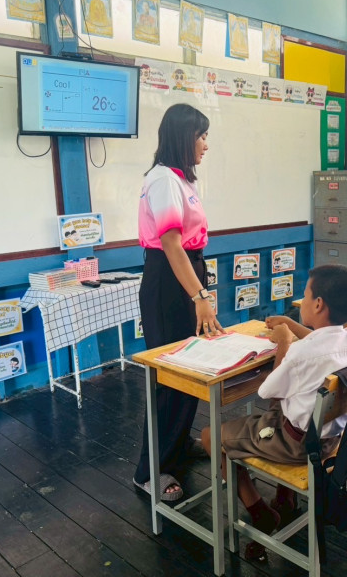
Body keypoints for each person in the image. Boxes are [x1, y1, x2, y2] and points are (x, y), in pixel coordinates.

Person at [201, 264, 347, 561]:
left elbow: (267, 391)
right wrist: (291, 327)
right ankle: (285, 499)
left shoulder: (301, 353)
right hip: (335, 438)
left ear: (318, 304)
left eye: (305, 295)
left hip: (298, 445)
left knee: (209, 436)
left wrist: (285, 343)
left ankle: (260, 512)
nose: (302, 301)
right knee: (286, 406)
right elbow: (319, 341)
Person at [134, 103, 224, 503]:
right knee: (169, 378)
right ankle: (149, 471)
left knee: (190, 370)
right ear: (183, 137)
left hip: (187, 275)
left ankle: (177, 443)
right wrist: (199, 296)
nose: (205, 144)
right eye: (201, 136)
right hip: (169, 284)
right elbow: (171, 245)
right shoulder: (162, 180)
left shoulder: (181, 179)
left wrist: (200, 290)